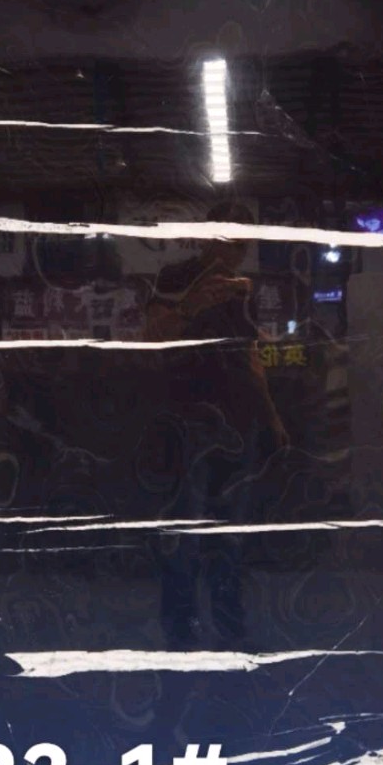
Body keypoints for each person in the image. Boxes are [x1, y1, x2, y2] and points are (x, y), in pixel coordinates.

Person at [143, 202, 286, 648]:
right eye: (229, 240)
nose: (234, 250)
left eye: (241, 243)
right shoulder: (175, 277)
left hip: (237, 420)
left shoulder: (240, 289)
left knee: (229, 531)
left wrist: (271, 416)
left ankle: (228, 626)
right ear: (209, 236)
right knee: (186, 529)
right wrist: (192, 304)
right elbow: (152, 335)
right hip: (189, 418)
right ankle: (182, 629)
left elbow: (249, 355)